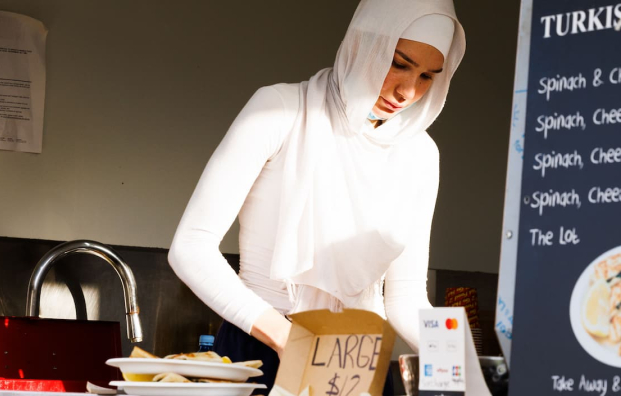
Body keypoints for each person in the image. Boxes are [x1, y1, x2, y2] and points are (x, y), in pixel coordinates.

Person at [168, 0, 465, 394]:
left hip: (356, 361)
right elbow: (190, 247)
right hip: (262, 348)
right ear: (362, 44)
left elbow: (406, 296)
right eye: (399, 63)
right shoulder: (279, 110)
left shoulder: (421, 155)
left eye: (428, 76)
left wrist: (463, 372)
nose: (408, 91)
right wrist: (287, 338)